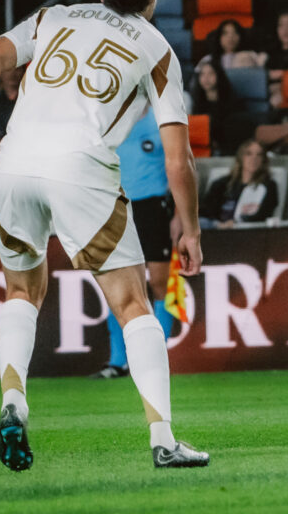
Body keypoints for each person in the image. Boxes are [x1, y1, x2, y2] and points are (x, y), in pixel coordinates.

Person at [0, 0, 207, 470]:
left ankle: (13, 401)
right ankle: (163, 438)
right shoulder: (157, 48)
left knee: (22, 291)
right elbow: (177, 156)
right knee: (135, 304)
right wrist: (192, 228)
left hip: (15, 161)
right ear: (152, 0)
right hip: (80, 167)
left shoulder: (55, 16)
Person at [90, 109, 180, 380]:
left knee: (160, 284)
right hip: (115, 205)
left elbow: (180, 165)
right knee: (118, 286)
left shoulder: (160, 119)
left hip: (153, 207)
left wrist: (179, 216)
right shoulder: (108, 118)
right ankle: (118, 362)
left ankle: (156, 358)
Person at [200, 139, 279, 227]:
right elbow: (205, 211)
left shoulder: (269, 186)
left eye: (259, 155)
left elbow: (263, 214)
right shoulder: (222, 183)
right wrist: (219, 224)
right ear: (241, 157)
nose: (254, 158)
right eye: (249, 154)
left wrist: (235, 224)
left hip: (244, 230)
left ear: (263, 160)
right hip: (217, 228)